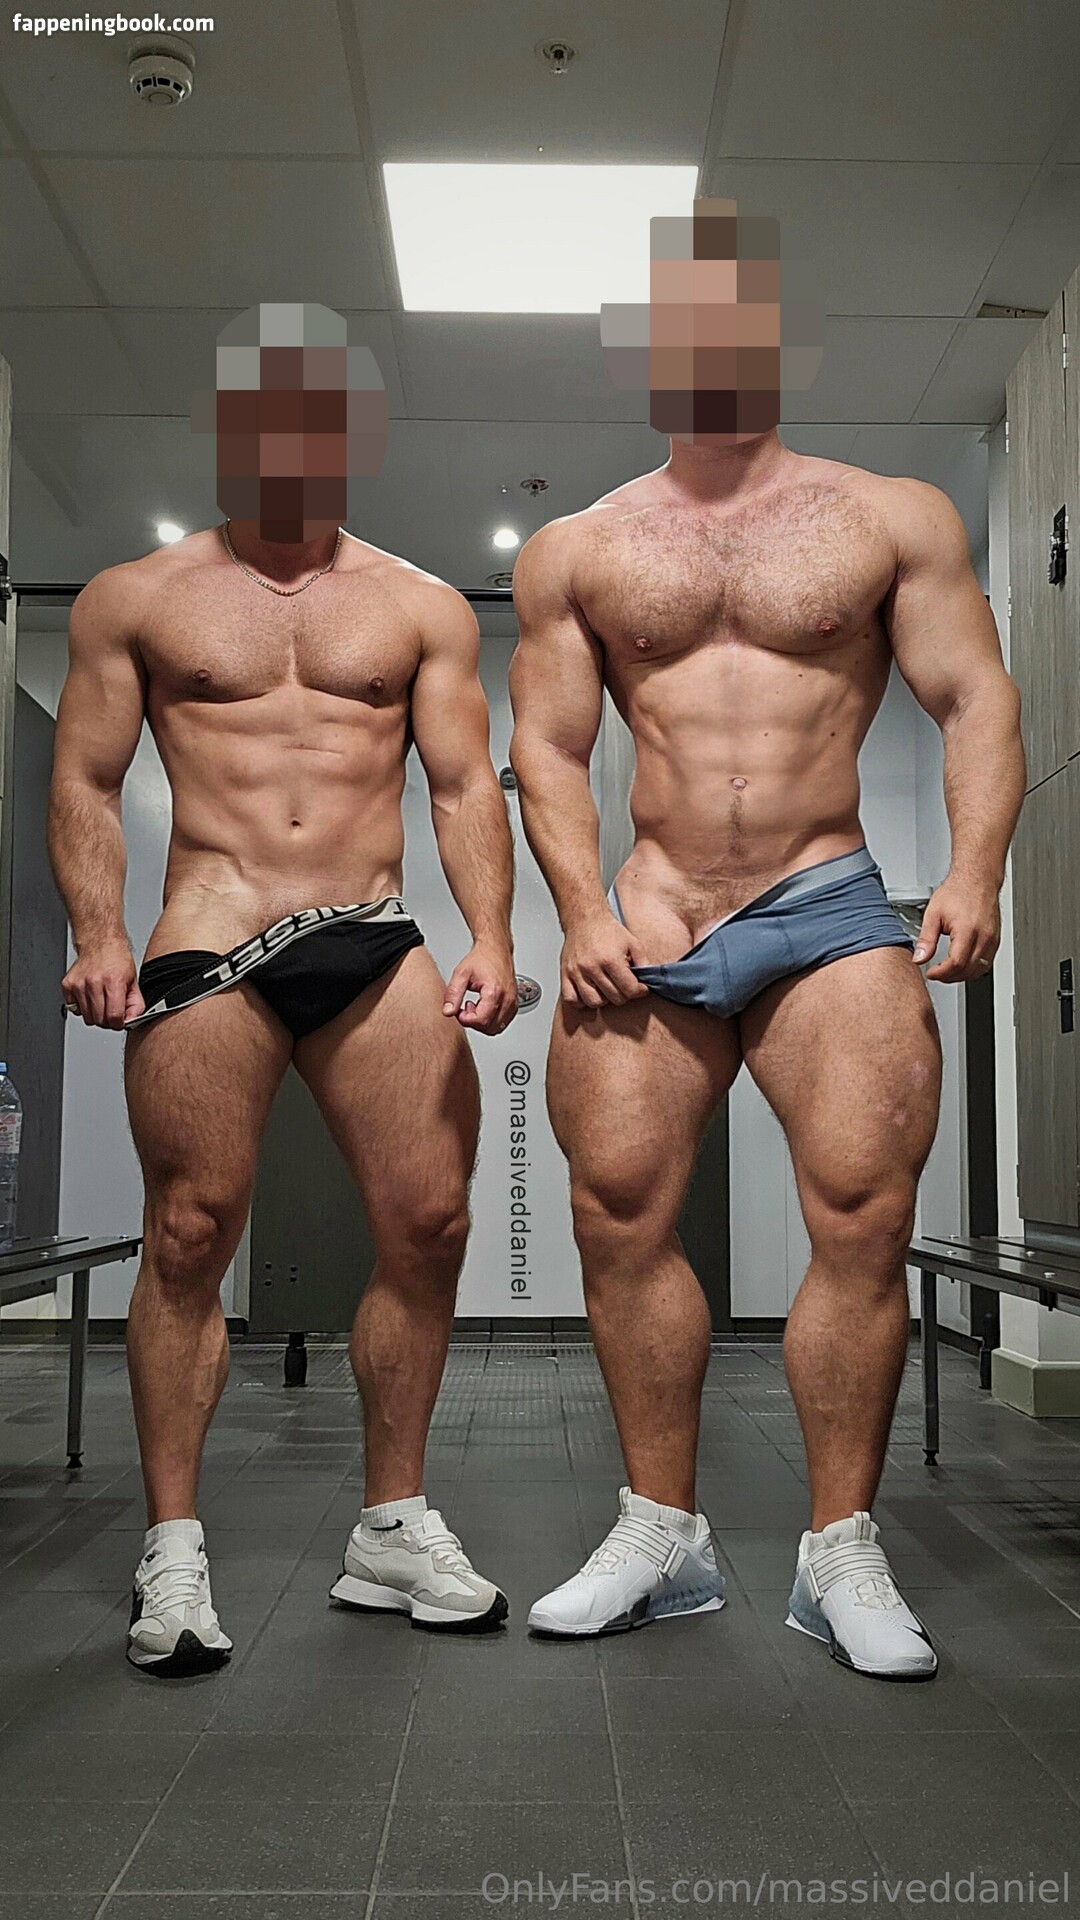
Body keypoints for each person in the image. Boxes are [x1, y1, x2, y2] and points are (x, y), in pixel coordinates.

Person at [509, 200, 1024, 1679]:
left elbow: (975, 698)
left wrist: (975, 871)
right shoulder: (579, 547)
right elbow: (548, 749)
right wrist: (582, 910)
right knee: (618, 1214)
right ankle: (658, 1532)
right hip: (653, 908)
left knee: (861, 1216)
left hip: (827, 902)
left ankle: (838, 1549)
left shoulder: (889, 517)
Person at [48, 304, 518, 1676]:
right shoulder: (137, 598)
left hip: (369, 931)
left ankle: (392, 1524)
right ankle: (174, 1546)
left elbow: (459, 785)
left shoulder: (420, 605)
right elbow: (85, 778)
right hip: (211, 927)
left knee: (429, 1221)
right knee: (190, 1232)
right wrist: (98, 930)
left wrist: (490, 934)